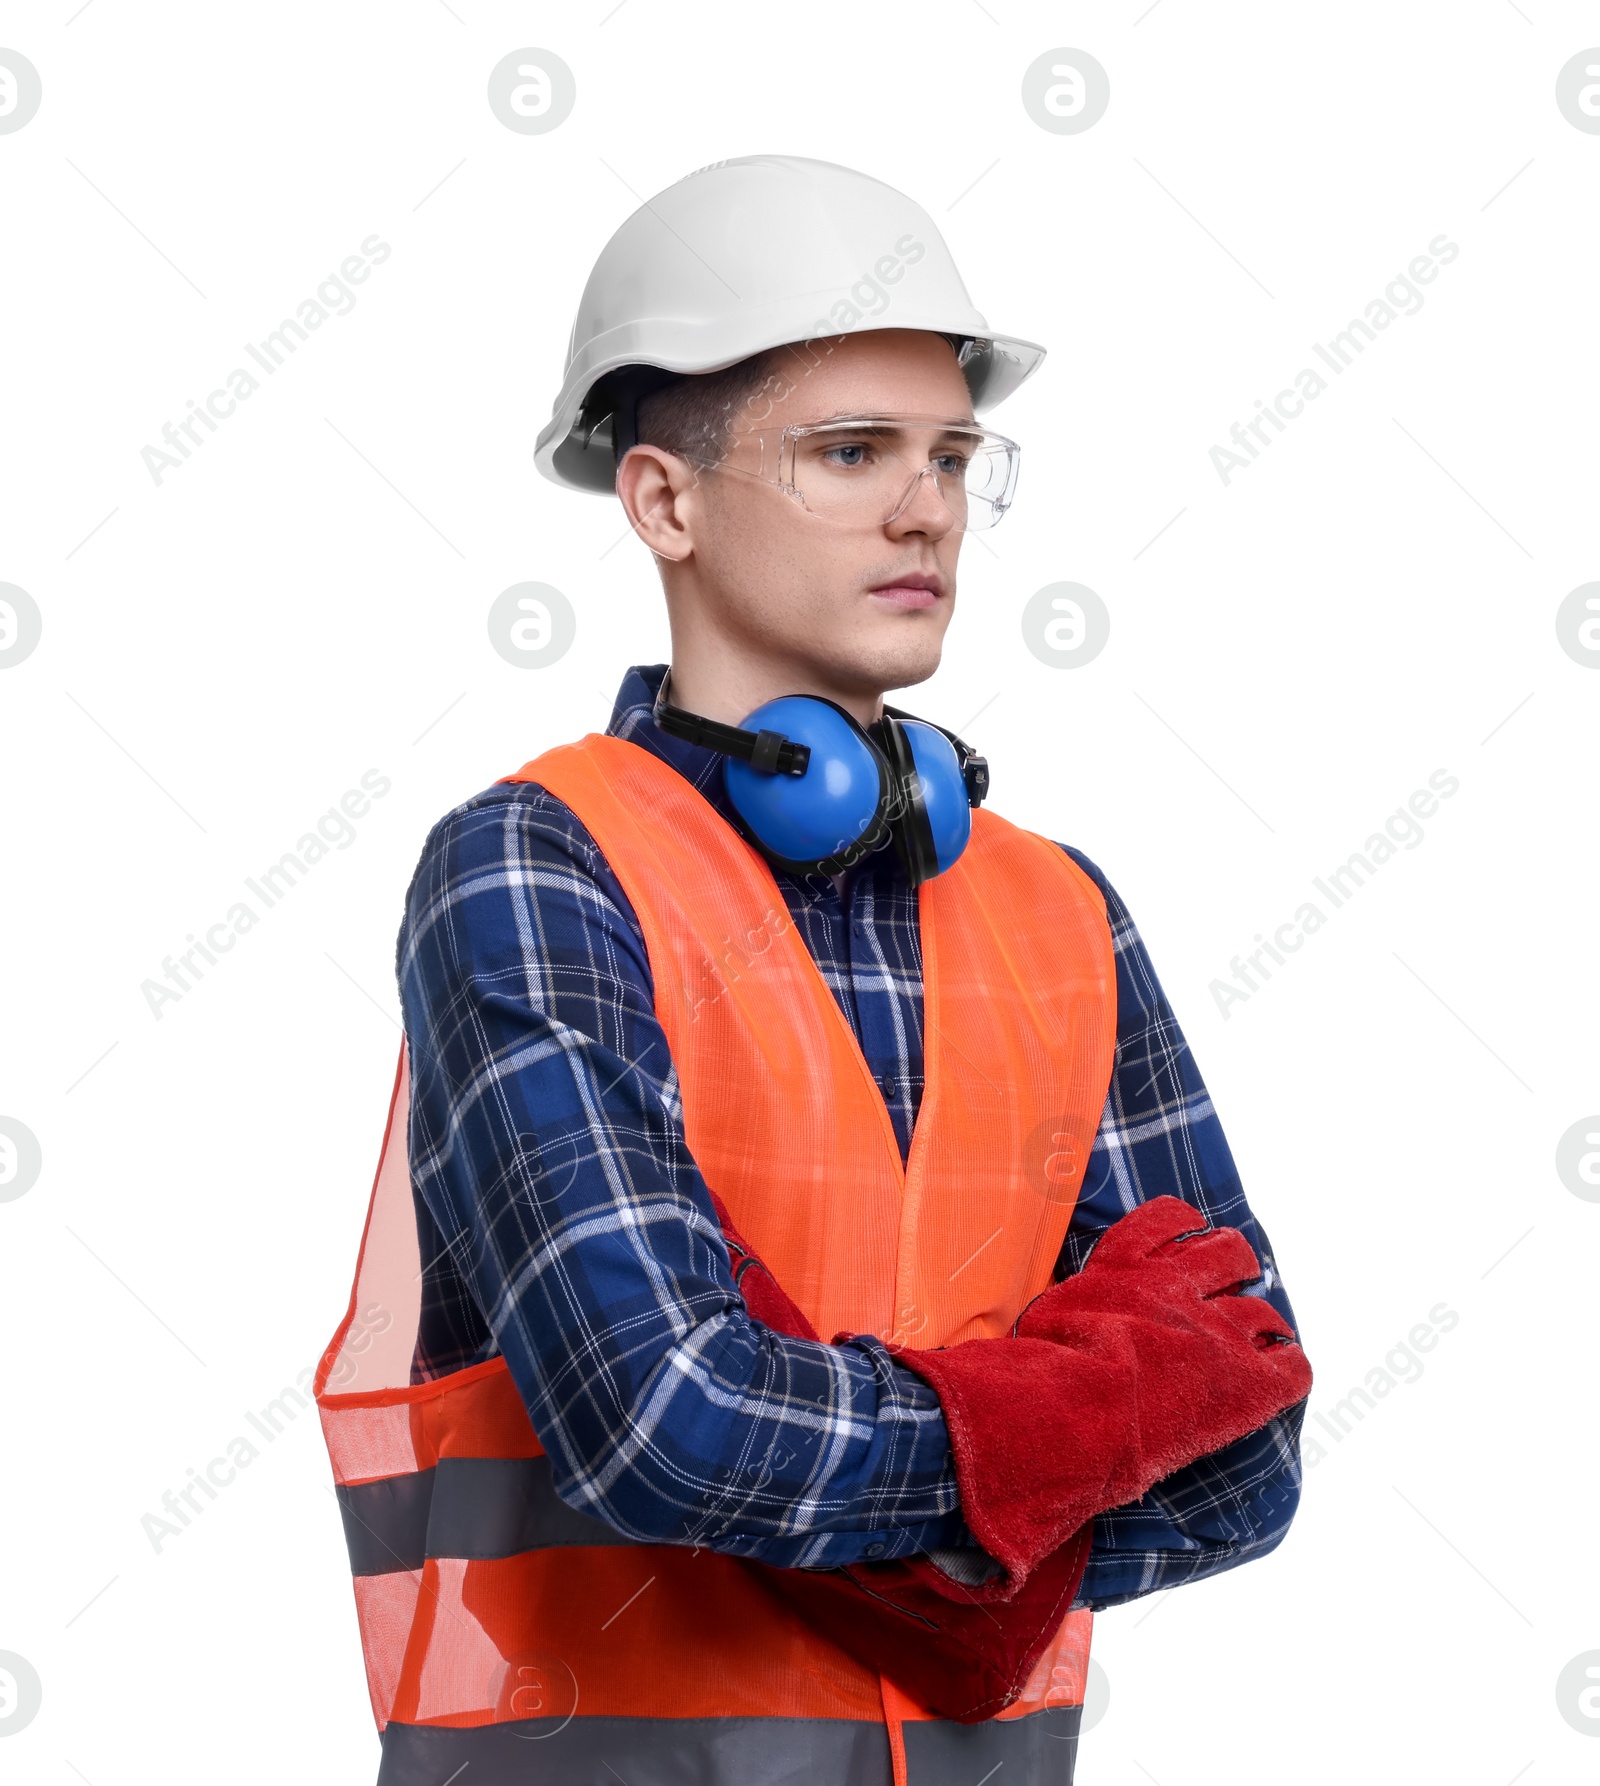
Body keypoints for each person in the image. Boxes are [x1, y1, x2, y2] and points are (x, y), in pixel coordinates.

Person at [315, 155, 1312, 1786]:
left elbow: (1250, 1442)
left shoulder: (1064, 912)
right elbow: (665, 1422)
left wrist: (876, 1464)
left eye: (951, 456)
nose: (926, 507)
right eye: (851, 454)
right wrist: (1067, 1430)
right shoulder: (534, 866)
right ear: (664, 501)